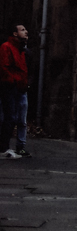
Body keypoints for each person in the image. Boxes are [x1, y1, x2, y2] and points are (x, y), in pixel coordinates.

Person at [1, 24, 29, 159]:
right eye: (22, 30)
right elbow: (5, 68)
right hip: (10, 87)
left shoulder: (21, 49)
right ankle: (3, 148)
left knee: (16, 119)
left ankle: (7, 148)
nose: (26, 32)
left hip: (19, 88)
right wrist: (14, 82)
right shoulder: (7, 47)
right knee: (9, 117)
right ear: (15, 33)